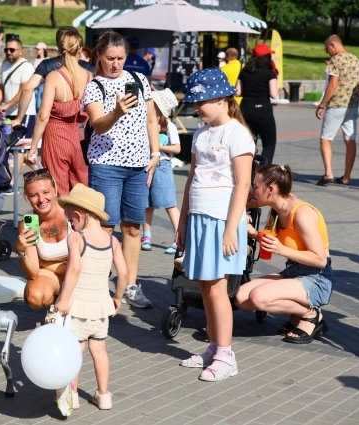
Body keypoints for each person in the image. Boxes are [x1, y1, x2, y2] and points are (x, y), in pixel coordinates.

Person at [177, 68, 255, 381]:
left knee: (218, 288)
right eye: (194, 103)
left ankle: (226, 355)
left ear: (221, 98)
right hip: (199, 216)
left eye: (201, 102)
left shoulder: (237, 133)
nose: (196, 108)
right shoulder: (201, 133)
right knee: (205, 286)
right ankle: (214, 346)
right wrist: (182, 222)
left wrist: (230, 228)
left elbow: (243, 183)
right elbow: (191, 179)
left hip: (223, 219)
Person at [82, 31, 161, 309]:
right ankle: (98, 284)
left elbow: (152, 119)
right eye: (110, 58)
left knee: (132, 228)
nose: (115, 64)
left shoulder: (138, 80)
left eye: (120, 58)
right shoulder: (95, 86)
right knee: (105, 227)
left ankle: (130, 286)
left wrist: (155, 153)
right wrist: (116, 112)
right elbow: (98, 125)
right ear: (99, 57)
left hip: (138, 165)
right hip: (106, 165)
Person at [235, 165, 333, 344]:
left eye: (256, 186)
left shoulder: (301, 213)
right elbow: (242, 200)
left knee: (258, 297)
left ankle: (310, 314)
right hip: (293, 271)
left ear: (270, 189)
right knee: (240, 297)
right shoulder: (277, 205)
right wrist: (252, 230)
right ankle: (298, 314)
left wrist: (282, 250)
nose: (252, 191)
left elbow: (320, 260)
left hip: (316, 278)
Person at [55, 184, 128, 411]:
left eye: (71, 219)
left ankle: (73, 395)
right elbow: (124, 274)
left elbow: (74, 269)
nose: (71, 224)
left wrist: (63, 299)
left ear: (79, 215)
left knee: (76, 351)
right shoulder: (112, 241)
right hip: (101, 307)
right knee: (99, 350)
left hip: (77, 307)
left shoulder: (76, 238)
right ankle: (104, 395)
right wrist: (117, 297)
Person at [29, 31, 90, 195]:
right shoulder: (90, 76)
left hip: (55, 137)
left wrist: (34, 146)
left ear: (60, 49)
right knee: (81, 191)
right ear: (80, 50)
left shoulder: (54, 77)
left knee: (57, 189)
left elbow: (43, 116)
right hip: (80, 138)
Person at [11, 26, 94, 128]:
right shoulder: (89, 69)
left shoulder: (47, 65)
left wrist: (19, 119)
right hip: (83, 124)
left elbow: (28, 89)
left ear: (58, 46)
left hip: (56, 125)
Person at [15, 169, 71, 318]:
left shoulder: (71, 212)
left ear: (55, 190)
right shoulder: (29, 223)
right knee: (34, 297)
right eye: (34, 195)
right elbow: (33, 272)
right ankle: (55, 305)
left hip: (78, 273)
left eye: (46, 192)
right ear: (27, 197)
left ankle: (66, 305)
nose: (41, 199)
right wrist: (20, 252)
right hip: (51, 275)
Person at [0, 34, 37, 188]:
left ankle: (11, 182)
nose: (8, 52)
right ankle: (44, 173)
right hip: (9, 115)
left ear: (21, 51)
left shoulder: (26, 67)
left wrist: (7, 104)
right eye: (6, 49)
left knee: (21, 149)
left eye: (12, 49)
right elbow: (1, 87)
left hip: (24, 113)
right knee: (11, 147)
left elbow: (24, 91)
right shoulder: (5, 65)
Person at [316, 35, 359, 187]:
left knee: (325, 138)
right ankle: (347, 177)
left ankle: (328, 173)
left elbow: (332, 86)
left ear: (332, 45)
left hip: (336, 105)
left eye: (327, 49)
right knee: (350, 140)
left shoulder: (335, 60)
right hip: (353, 105)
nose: (327, 52)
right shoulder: (355, 60)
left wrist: (322, 105)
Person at [140, 89, 181, 254]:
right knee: (147, 204)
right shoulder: (144, 122)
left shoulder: (169, 126)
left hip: (163, 166)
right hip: (145, 164)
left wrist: (158, 147)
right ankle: (146, 235)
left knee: (169, 203)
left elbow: (177, 148)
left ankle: (179, 237)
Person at [236, 44, 279, 165]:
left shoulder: (244, 71)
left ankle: (248, 169)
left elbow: (238, 92)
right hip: (263, 110)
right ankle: (263, 171)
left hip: (246, 110)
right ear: (267, 57)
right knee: (269, 144)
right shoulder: (269, 73)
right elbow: (274, 94)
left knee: (249, 143)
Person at [33, 42, 49, 111]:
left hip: (42, 84)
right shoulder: (35, 60)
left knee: (38, 105)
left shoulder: (47, 60)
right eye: (36, 49)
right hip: (35, 83)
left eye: (38, 49)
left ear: (43, 50)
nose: (37, 50)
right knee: (34, 104)